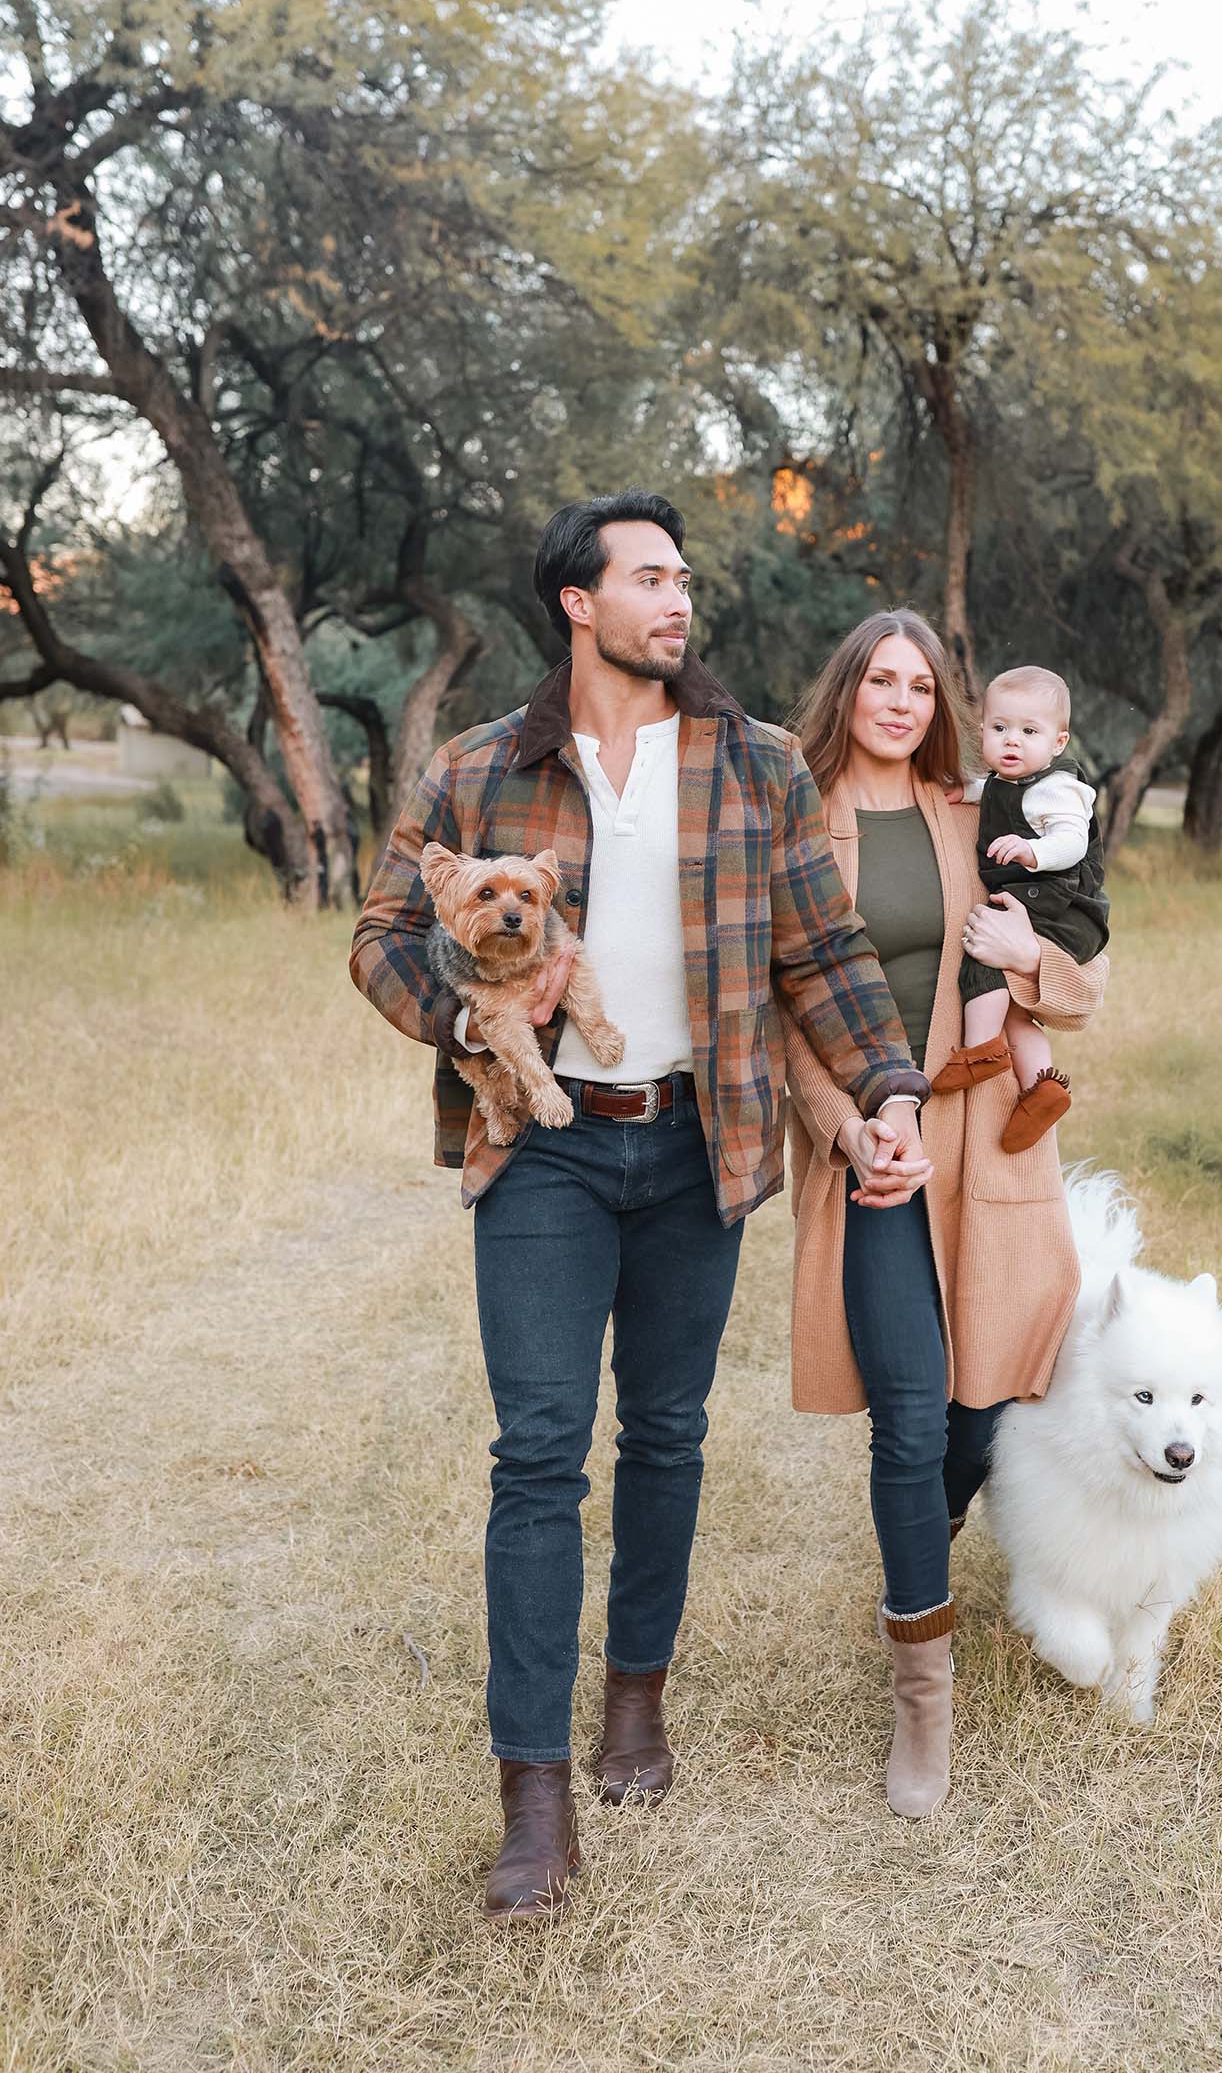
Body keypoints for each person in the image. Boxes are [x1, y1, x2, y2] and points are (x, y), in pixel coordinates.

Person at [349, 493, 930, 1921]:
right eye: (650, 578)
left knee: (667, 1436)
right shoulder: (483, 766)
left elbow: (825, 950)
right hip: (540, 1155)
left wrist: (888, 1089)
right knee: (540, 1455)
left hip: (698, 1150)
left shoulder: (756, 762)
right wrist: (476, 1009)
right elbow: (375, 936)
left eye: (684, 579)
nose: (679, 601)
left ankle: (636, 1701)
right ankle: (534, 1798)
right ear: (577, 600)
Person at [782, 610, 1109, 1817]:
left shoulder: (984, 812)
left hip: (989, 1137)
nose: (901, 700)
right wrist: (844, 1124)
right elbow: (781, 1009)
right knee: (911, 1414)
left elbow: (1080, 992)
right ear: (846, 690)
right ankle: (924, 1697)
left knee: (985, 1405)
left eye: (922, 685)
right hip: (879, 1148)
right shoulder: (796, 822)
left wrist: (1029, 953)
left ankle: (927, 1536)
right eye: (880, 678)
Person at [929, 664, 1110, 1153]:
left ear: (1058, 742)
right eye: (999, 728)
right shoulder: (1010, 782)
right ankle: (1040, 1087)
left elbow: (1071, 841)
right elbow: (993, 793)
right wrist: (961, 790)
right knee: (1016, 1013)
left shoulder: (1057, 788)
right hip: (1040, 905)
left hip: (1057, 905)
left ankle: (979, 1051)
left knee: (984, 958)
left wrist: (1034, 852)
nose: (1012, 741)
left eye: (1029, 732)